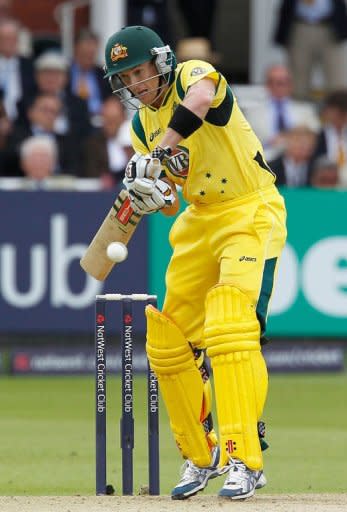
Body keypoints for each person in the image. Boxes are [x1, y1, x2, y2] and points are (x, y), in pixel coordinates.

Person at [103, 25, 287, 500]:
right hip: (198, 220)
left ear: (160, 63)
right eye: (125, 79)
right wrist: (149, 192)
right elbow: (169, 201)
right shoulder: (141, 126)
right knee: (169, 341)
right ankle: (200, 455)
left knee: (231, 325)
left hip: (249, 211)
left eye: (139, 73)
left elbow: (202, 101)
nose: (135, 86)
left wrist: (159, 152)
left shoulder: (193, 75)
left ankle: (244, 457)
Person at [243, 64, 320, 161]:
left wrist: (293, 139)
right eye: (274, 82)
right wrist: (269, 142)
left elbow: (316, 138)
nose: (278, 86)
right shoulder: (252, 113)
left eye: (283, 82)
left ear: (291, 85)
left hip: (298, 164)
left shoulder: (305, 111)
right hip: (264, 163)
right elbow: (245, 144)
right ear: (267, 85)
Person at [274, 0, 347, 100]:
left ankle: (338, 110)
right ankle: (298, 109)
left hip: (331, 26)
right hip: (301, 25)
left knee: (336, 78)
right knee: (298, 77)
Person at [82, 96, 133, 187]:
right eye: (107, 120)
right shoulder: (92, 144)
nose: (110, 125)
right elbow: (90, 172)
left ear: (123, 118)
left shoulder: (134, 142)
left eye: (114, 120)